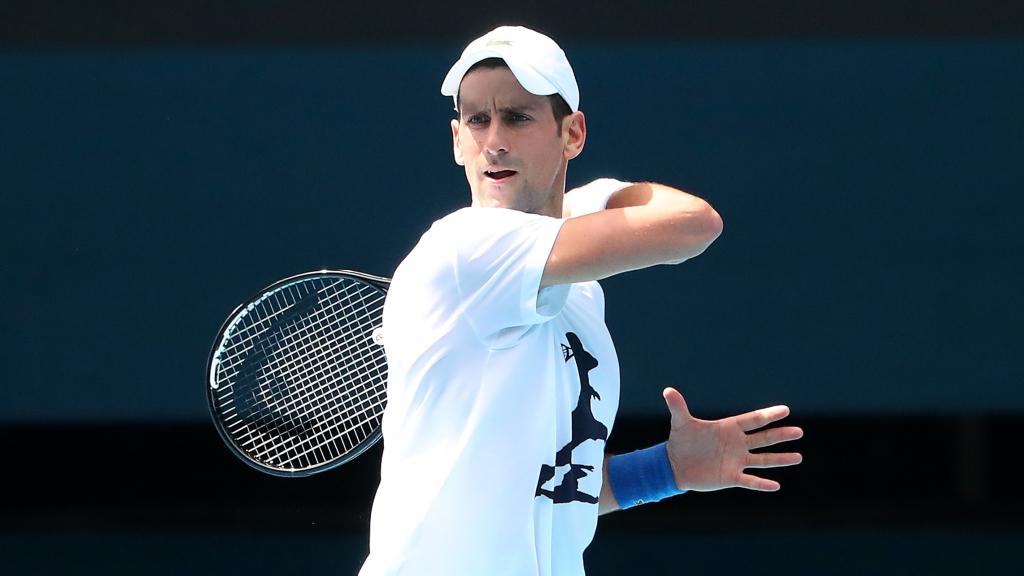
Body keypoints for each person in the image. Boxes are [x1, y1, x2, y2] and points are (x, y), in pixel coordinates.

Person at [359, 26, 803, 576]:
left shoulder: (578, 297)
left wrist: (668, 470)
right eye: (477, 119)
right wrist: (591, 196)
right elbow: (694, 223)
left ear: (573, 134)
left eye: (517, 117)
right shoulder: (465, 247)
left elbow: (553, 494)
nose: (493, 139)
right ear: (456, 139)